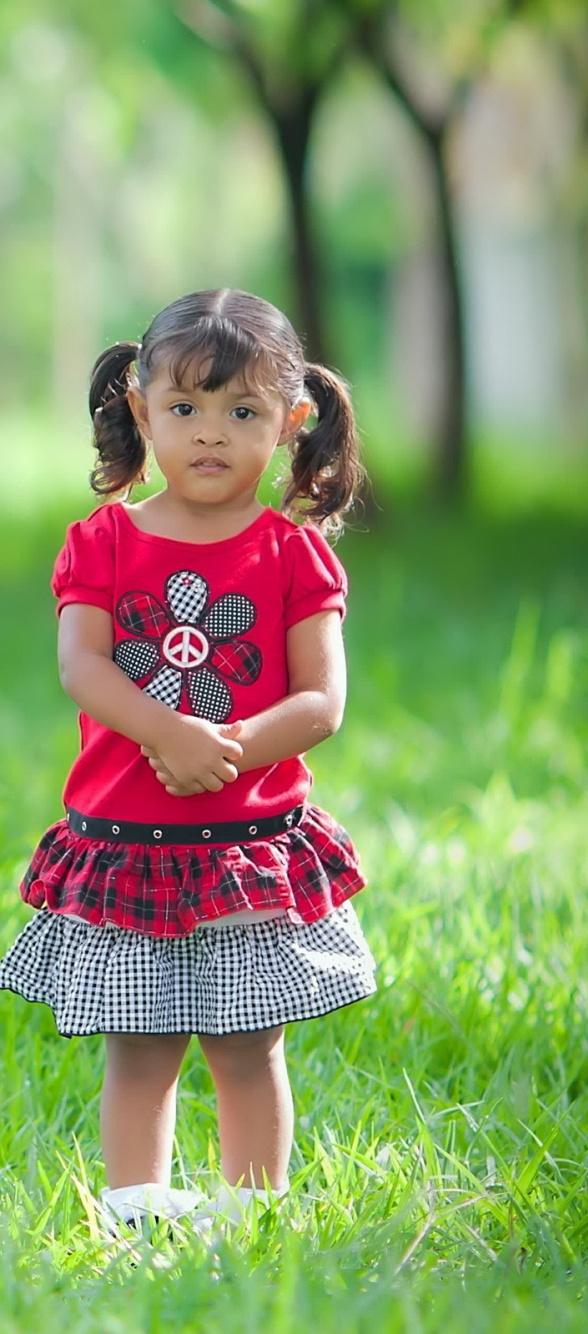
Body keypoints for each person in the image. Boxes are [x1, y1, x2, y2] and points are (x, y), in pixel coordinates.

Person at [0, 288, 376, 1233]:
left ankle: (252, 1215)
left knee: (248, 1045)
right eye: (185, 410)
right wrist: (165, 731)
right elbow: (81, 662)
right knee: (141, 1046)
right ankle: (134, 1214)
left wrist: (231, 749)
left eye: (242, 412)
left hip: (247, 841)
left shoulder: (292, 554)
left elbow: (321, 699)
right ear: (141, 410)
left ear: (292, 423)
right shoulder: (105, 541)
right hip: (130, 839)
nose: (211, 434)